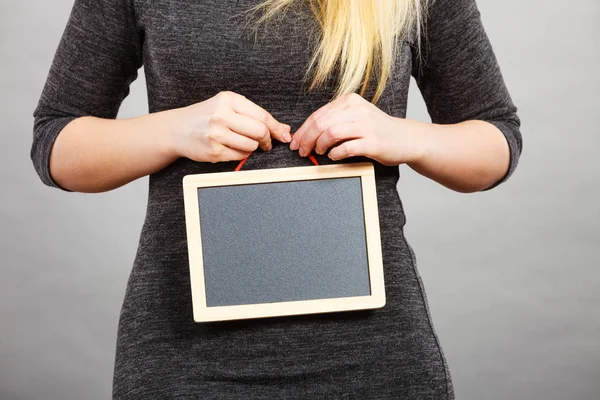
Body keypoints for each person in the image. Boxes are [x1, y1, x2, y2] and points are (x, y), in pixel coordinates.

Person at [31, 0, 522, 398]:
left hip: (375, 350)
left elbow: (497, 140)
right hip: (184, 350)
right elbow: (55, 143)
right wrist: (172, 130)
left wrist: (405, 136)